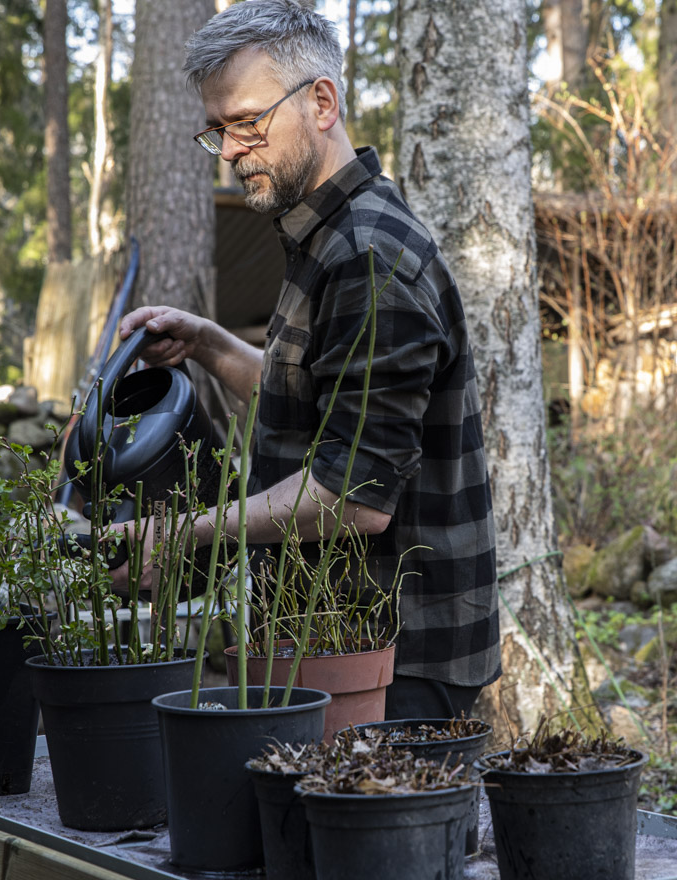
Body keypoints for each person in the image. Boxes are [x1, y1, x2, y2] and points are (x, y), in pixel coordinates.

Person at [112, 0, 500, 720]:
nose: (230, 150)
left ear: (322, 101)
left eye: (249, 122)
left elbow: (353, 498)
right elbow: (327, 405)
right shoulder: (328, 236)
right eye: (218, 130)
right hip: (339, 642)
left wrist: (181, 533)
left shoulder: (367, 258)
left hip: (394, 661)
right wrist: (208, 343)